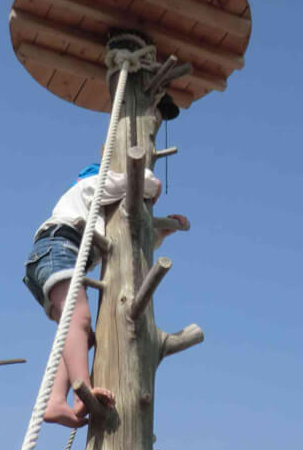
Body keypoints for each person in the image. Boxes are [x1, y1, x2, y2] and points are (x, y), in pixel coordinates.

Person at [23, 162, 188, 427]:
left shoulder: (95, 215)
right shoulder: (87, 188)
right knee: (79, 318)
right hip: (58, 248)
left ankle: (55, 400)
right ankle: (82, 390)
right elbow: (137, 182)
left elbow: (129, 240)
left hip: (53, 257)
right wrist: (151, 184)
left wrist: (161, 233)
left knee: (80, 333)